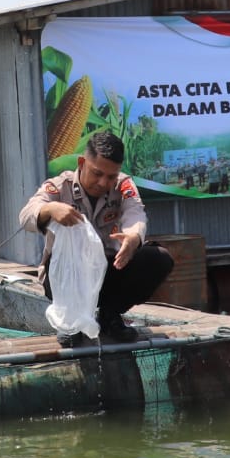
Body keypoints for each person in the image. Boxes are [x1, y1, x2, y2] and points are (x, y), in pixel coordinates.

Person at [20, 131, 174, 346]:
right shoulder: (58, 186)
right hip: (66, 278)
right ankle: (70, 323)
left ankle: (110, 316)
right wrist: (49, 209)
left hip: (108, 272)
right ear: (82, 162)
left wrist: (132, 237)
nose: (103, 183)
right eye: (97, 173)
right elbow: (26, 216)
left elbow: (136, 213)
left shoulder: (123, 186)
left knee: (159, 258)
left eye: (111, 176)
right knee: (68, 264)